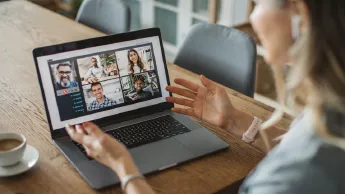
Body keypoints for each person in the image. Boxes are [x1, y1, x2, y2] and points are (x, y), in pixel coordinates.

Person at [65, 0, 345, 193]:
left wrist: (123, 167)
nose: (252, 16)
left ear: (300, 15)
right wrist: (234, 120)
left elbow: (304, 160)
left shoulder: (294, 179)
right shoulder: (330, 108)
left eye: (258, 3)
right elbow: (298, 144)